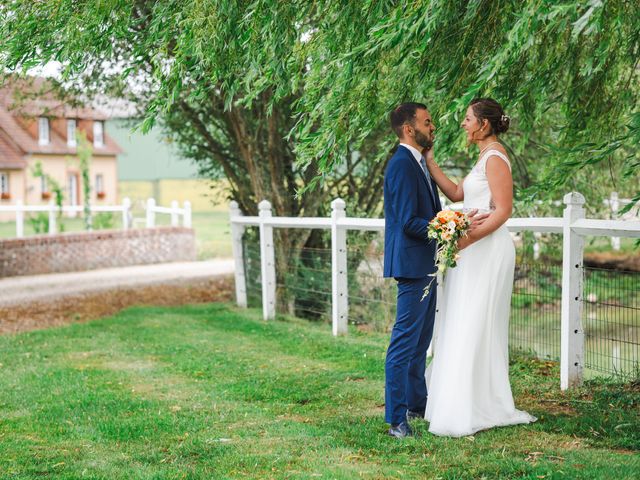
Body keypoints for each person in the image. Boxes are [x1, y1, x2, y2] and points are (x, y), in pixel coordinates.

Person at [424, 97, 536, 437]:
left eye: (468, 119)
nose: (464, 124)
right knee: (461, 316)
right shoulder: (484, 157)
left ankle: (477, 403)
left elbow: (503, 211)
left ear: (484, 124)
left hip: (487, 249)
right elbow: (459, 194)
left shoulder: (497, 158)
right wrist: (429, 161)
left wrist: (467, 241)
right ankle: (462, 398)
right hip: (472, 248)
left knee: (475, 318)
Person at [382, 102, 487, 438]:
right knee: (404, 342)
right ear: (410, 129)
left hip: (425, 263)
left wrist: (450, 222)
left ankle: (417, 404)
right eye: (428, 122)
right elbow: (408, 222)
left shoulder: (418, 164)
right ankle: (396, 419)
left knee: (420, 341)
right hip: (412, 265)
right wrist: (452, 224)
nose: (434, 127)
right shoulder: (401, 165)